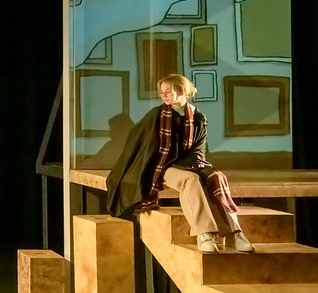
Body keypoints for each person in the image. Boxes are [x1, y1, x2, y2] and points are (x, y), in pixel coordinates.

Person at [106, 74, 253, 253]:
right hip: (162, 166)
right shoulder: (156, 115)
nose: (164, 95)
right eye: (162, 92)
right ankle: (204, 233)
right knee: (190, 180)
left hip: (189, 164)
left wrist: (197, 167)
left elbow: (198, 150)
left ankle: (234, 233)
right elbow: (142, 146)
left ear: (181, 90)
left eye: (168, 91)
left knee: (216, 177)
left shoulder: (198, 117)